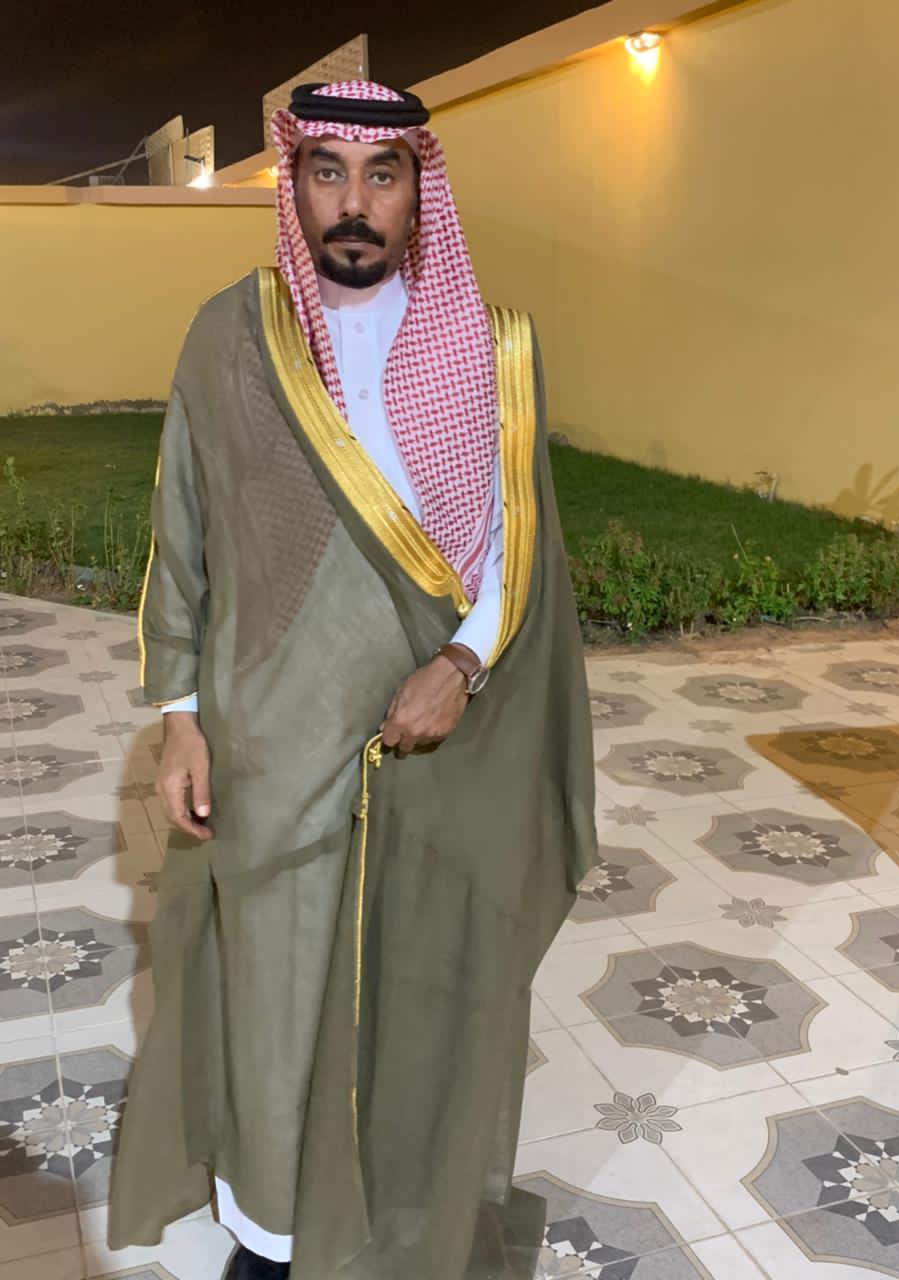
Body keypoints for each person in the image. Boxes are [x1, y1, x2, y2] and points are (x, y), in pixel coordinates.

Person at [108, 79, 599, 1280]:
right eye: (327, 171)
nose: (354, 202)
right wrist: (181, 718)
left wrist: (463, 662)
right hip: (269, 740)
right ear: (293, 184)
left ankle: (399, 1219)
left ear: (420, 190)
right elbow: (184, 531)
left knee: (421, 989)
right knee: (275, 999)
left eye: (382, 175)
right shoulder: (231, 334)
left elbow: (515, 541)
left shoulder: (492, 345)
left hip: (437, 744)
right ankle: (273, 1235)